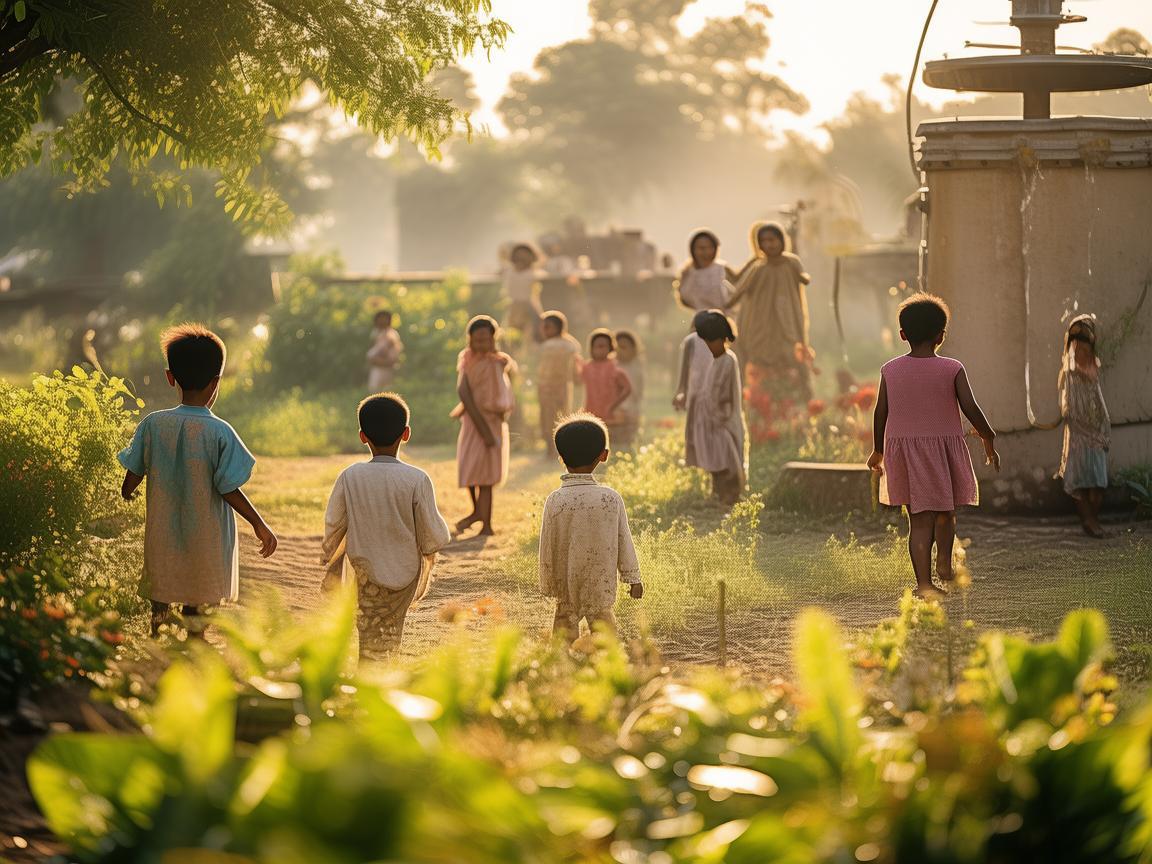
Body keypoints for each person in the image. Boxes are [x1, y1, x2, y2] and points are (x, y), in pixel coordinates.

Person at [118, 324, 277, 636]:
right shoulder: (220, 432)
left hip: (163, 531)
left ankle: (157, 633)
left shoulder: (153, 424)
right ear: (216, 382)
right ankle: (195, 637)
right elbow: (229, 487)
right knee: (200, 589)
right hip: (207, 537)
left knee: (161, 583)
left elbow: (134, 469)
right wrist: (259, 523)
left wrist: (127, 490)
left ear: (170, 377)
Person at [867, 293, 1000, 600]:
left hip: (906, 454)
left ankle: (924, 585)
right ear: (942, 335)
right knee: (946, 513)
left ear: (903, 335)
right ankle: (944, 563)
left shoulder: (890, 369)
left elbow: (880, 411)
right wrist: (988, 436)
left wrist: (878, 450)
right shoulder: (952, 368)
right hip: (941, 453)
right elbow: (971, 407)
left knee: (918, 520)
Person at [321, 393, 451, 658]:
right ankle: (383, 682)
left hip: (363, 572)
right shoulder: (417, 479)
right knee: (392, 633)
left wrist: (330, 554)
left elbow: (334, 524)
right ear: (406, 434)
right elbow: (434, 536)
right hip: (404, 574)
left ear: (362, 436)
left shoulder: (350, 476)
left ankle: (368, 681)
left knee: (367, 634)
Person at [539, 413, 643, 639]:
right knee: (605, 640)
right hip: (600, 585)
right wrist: (633, 578)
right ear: (603, 456)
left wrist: (547, 583)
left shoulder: (555, 500)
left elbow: (547, 544)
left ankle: (561, 668)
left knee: (562, 641)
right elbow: (623, 540)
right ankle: (606, 668)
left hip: (566, 586)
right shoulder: (609, 499)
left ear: (561, 457)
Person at [727, 221, 814, 432]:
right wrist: (722, 304)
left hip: (788, 324)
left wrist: (802, 275)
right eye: (764, 241)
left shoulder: (790, 262)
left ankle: (793, 421)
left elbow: (804, 276)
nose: (769, 245)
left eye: (773, 240)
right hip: (761, 327)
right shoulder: (758, 268)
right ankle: (763, 420)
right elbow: (740, 290)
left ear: (782, 241)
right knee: (762, 370)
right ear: (758, 245)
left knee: (791, 363)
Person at [452, 315, 516, 536]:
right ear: (469, 339)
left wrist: (497, 417)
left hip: (493, 421)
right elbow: (463, 390)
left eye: (485, 340)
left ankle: (485, 523)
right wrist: (480, 425)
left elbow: (504, 389)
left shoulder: (499, 361)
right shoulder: (467, 358)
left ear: (493, 339)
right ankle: (476, 512)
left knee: (486, 477)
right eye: (476, 340)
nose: (480, 344)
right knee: (470, 470)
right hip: (473, 421)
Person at [1056, 315, 1111, 538]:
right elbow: (1068, 408)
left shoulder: (1094, 367)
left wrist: (1104, 429)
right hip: (1078, 434)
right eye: (1074, 337)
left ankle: (1092, 520)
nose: (1079, 342)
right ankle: (1089, 523)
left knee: (1098, 484)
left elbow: (1099, 403)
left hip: (1097, 432)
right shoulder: (1068, 374)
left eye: (1083, 336)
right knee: (1078, 483)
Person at [684, 310, 746, 504]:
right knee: (714, 460)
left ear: (723, 338)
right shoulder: (717, 360)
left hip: (721, 420)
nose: (709, 346)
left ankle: (730, 496)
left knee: (725, 459)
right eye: (707, 341)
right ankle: (717, 494)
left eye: (712, 340)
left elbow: (724, 394)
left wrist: (718, 415)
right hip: (711, 419)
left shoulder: (728, 360)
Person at [537, 311, 583, 457]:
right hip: (563, 385)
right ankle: (564, 448)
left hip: (547, 385)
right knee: (565, 415)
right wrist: (577, 379)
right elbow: (576, 366)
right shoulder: (571, 344)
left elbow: (540, 367)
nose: (543, 330)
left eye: (547, 327)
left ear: (558, 328)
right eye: (543, 327)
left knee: (548, 417)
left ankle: (551, 449)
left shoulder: (546, 346)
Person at [581, 329, 632, 437]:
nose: (600, 349)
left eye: (603, 346)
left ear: (610, 348)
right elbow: (578, 382)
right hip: (590, 410)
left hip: (609, 412)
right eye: (597, 346)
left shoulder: (614, 367)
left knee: (608, 438)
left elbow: (627, 388)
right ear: (592, 348)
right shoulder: (586, 367)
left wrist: (614, 405)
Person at [677, 229, 739, 311]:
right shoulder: (687, 273)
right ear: (693, 250)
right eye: (702, 248)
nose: (707, 252)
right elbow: (685, 300)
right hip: (701, 319)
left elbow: (738, 293)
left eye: (710, 247)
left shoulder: (723, 269)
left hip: (726, 319)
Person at [502, 243, 543, 344]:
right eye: (519, 256)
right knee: (512, 335)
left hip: (528, 305)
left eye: (524, 256)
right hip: (513, 305)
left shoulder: (533, 272)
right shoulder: (509, 271)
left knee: (533, 332)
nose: (521, 259)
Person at [613, 330, 645, 449]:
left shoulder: (636, 367)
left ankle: (627, 455)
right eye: (617, 347)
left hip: (631, 408)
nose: (620, 351)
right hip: (614, 409)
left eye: (624, 347)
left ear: (633, 349)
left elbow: (638, 391)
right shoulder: (612, 366)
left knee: (629, 439)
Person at [366, 309, 403, 391]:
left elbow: (393, 351)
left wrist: (382, 360)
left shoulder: (392, 334)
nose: (382, 321)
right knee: (374, 391)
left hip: (387, 367)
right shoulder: (375, 333)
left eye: (384, 319)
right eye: (380, 319)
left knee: (387, 391)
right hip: (376, 368)